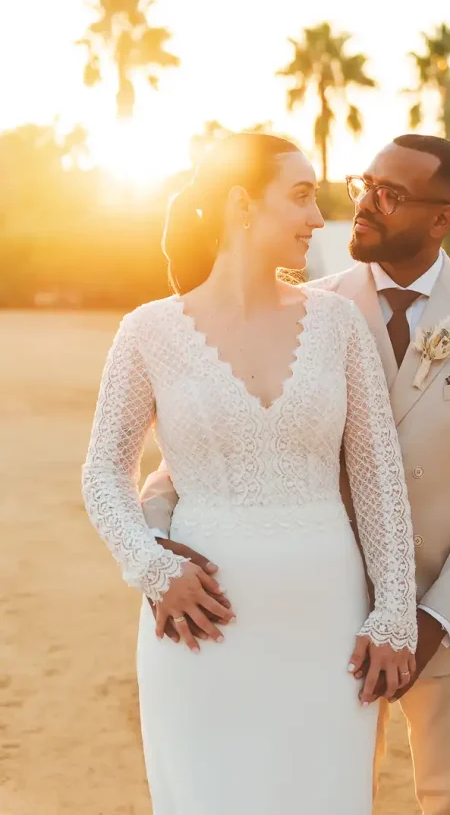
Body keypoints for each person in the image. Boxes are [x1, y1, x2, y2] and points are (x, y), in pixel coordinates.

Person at [142, 134, 450, 815]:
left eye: (388, 196)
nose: (362, 205)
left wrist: (428, 619)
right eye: (364, 185)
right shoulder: (307, 310)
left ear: (441, 217)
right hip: (321, 615)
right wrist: (155, 548)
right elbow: (203, 451)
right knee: (325, 796)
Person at [82, 132, 418, 815]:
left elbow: (378, 476)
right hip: (201, 626)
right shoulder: (148, 333)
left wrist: (393, 614)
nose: (316, 217)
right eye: (299, 196)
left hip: (327, 625)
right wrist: (152, 569)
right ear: (240, 204)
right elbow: (102, 475)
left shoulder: (338, 326)